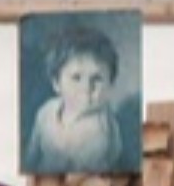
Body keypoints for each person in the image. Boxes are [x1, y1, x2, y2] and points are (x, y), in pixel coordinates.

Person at [25, 25, 124, 174]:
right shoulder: (45, 112)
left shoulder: (103, 131)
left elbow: (112, 160)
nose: (86, 88)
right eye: (76, 78)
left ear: (110, 84)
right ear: (56, 83)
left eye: (97, 79)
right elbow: (32, 155)